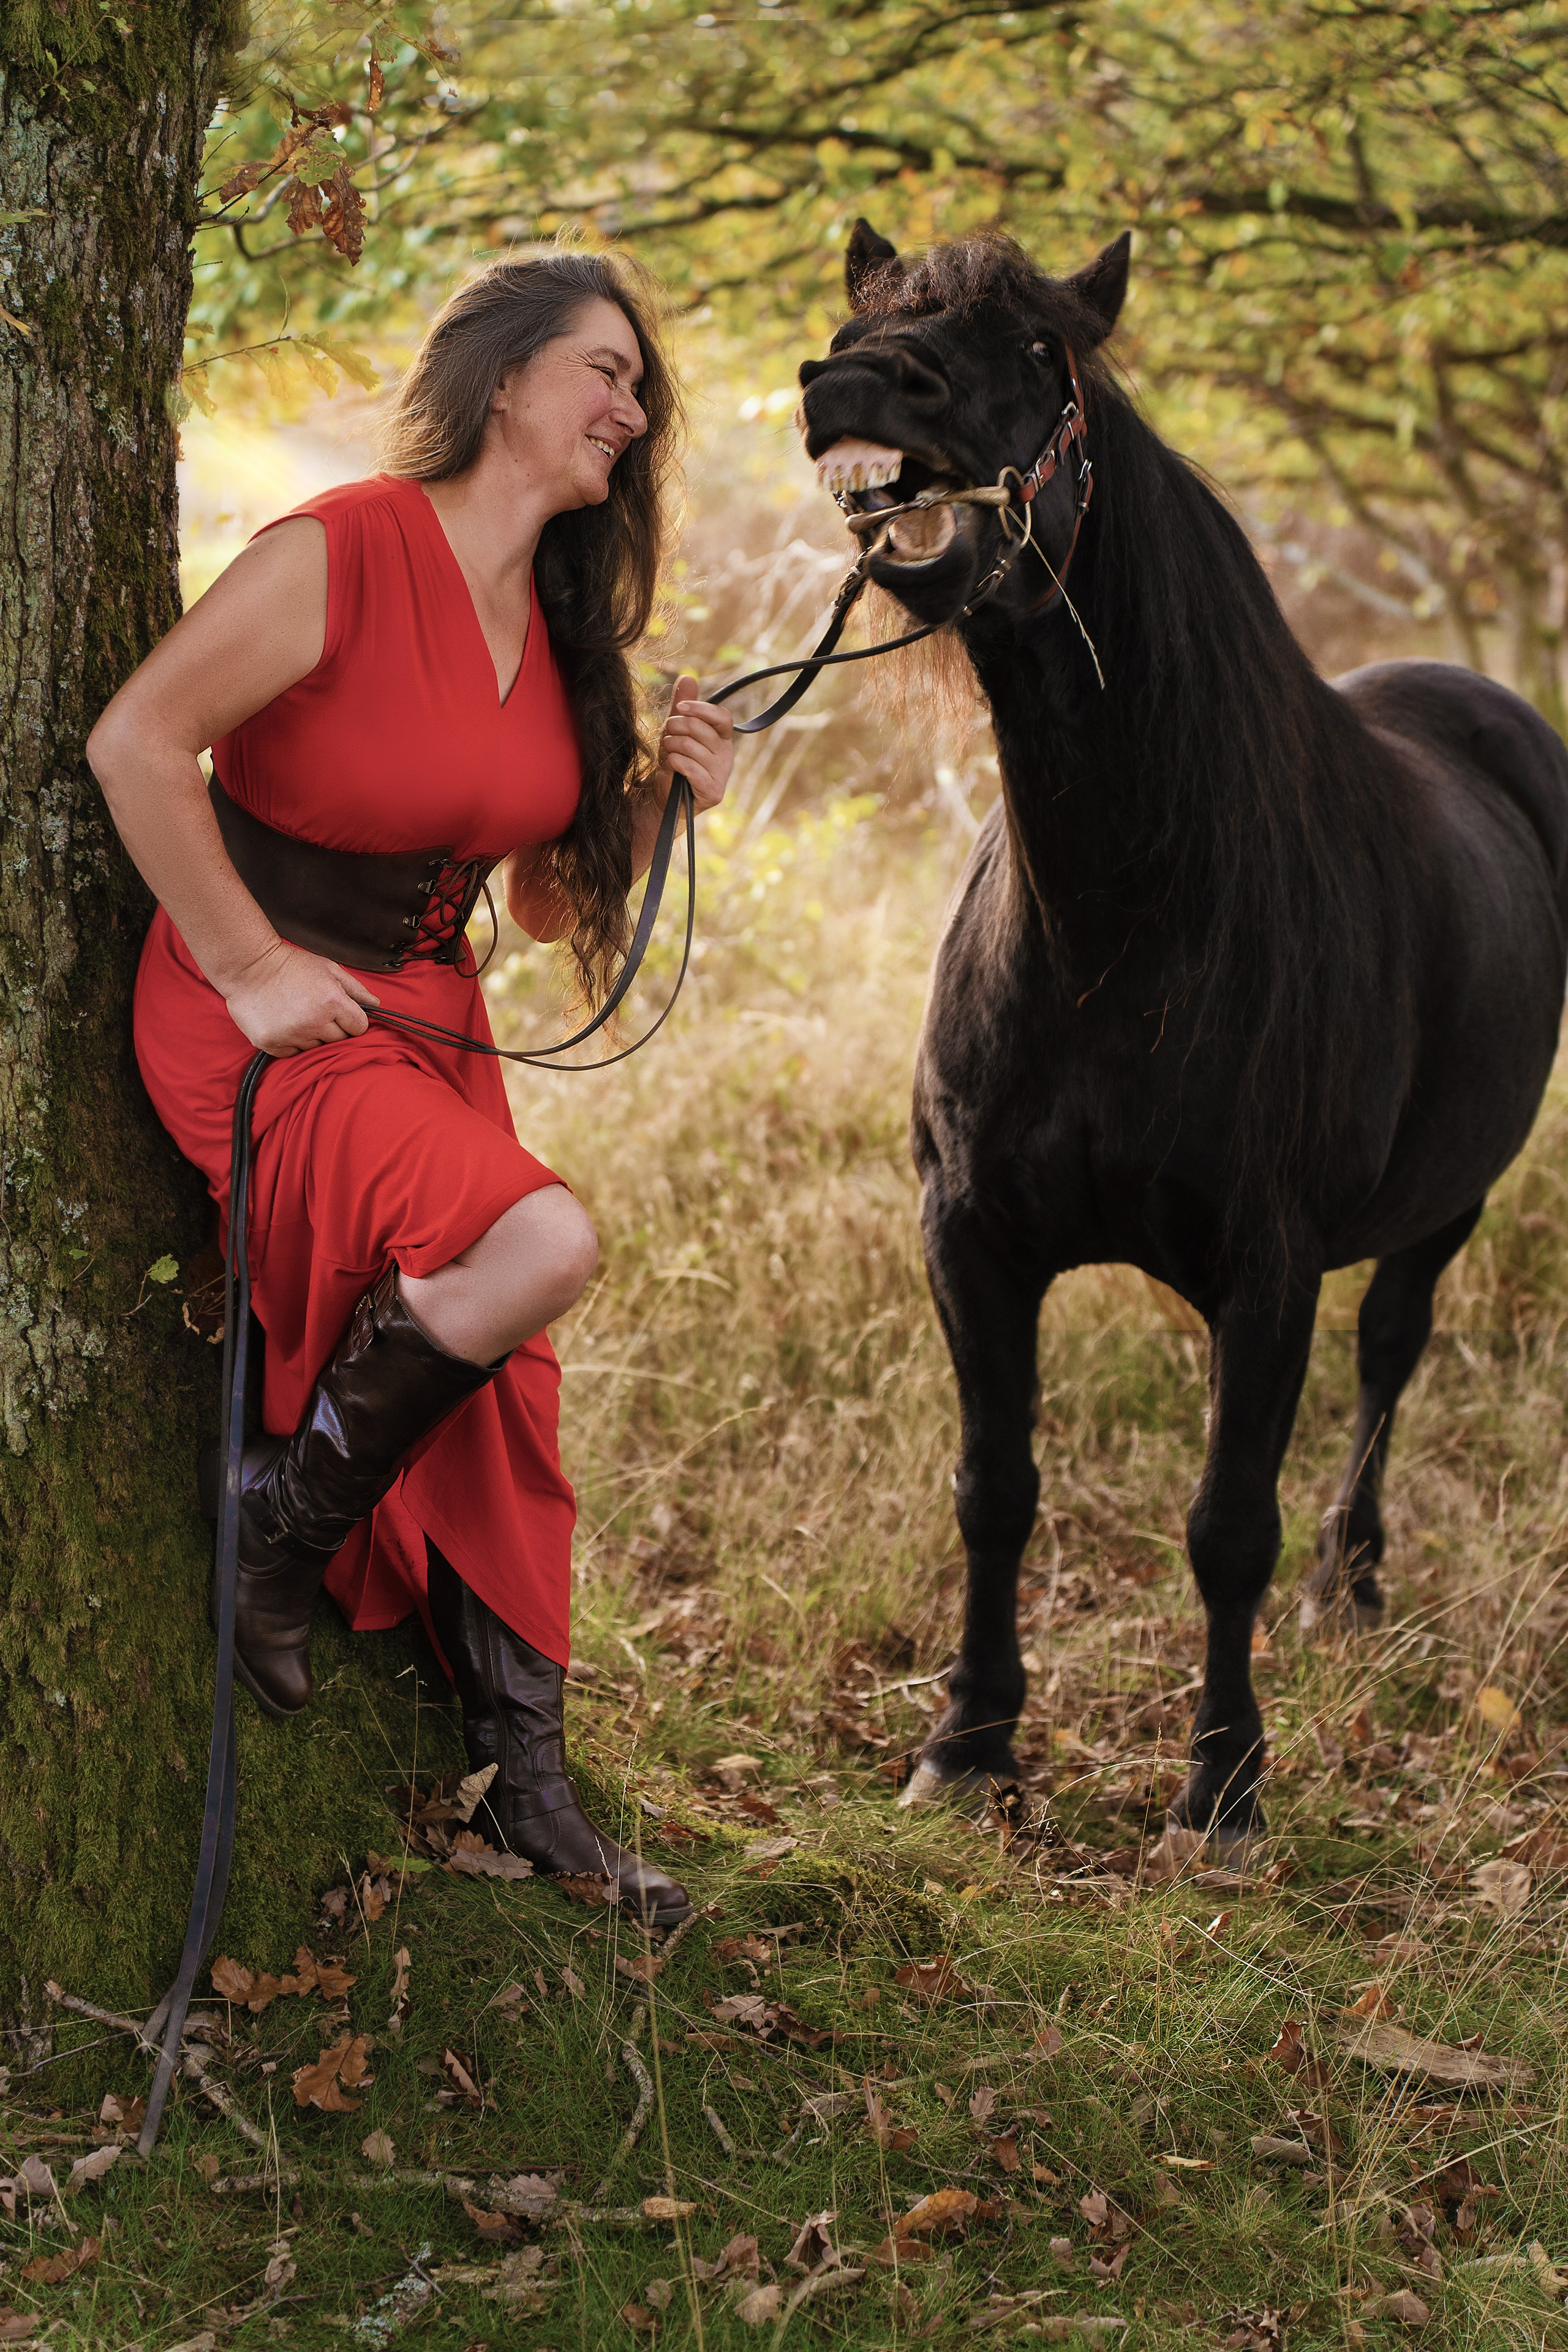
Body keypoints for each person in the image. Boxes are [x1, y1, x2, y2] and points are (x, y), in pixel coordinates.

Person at [87, 252, 734, 1928]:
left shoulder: (567, 626)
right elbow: (139, 745)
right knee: (540, 1252)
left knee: (506, 1381)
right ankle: (275, 1532)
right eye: (604, 371)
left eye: (641, 391)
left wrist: (659, 802)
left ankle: (531, 1789)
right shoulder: (341, 550)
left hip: (431, 1019)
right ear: (507, 377)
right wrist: (244, 963)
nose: (630, 410)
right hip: (266, 1012)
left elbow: (534, 902)